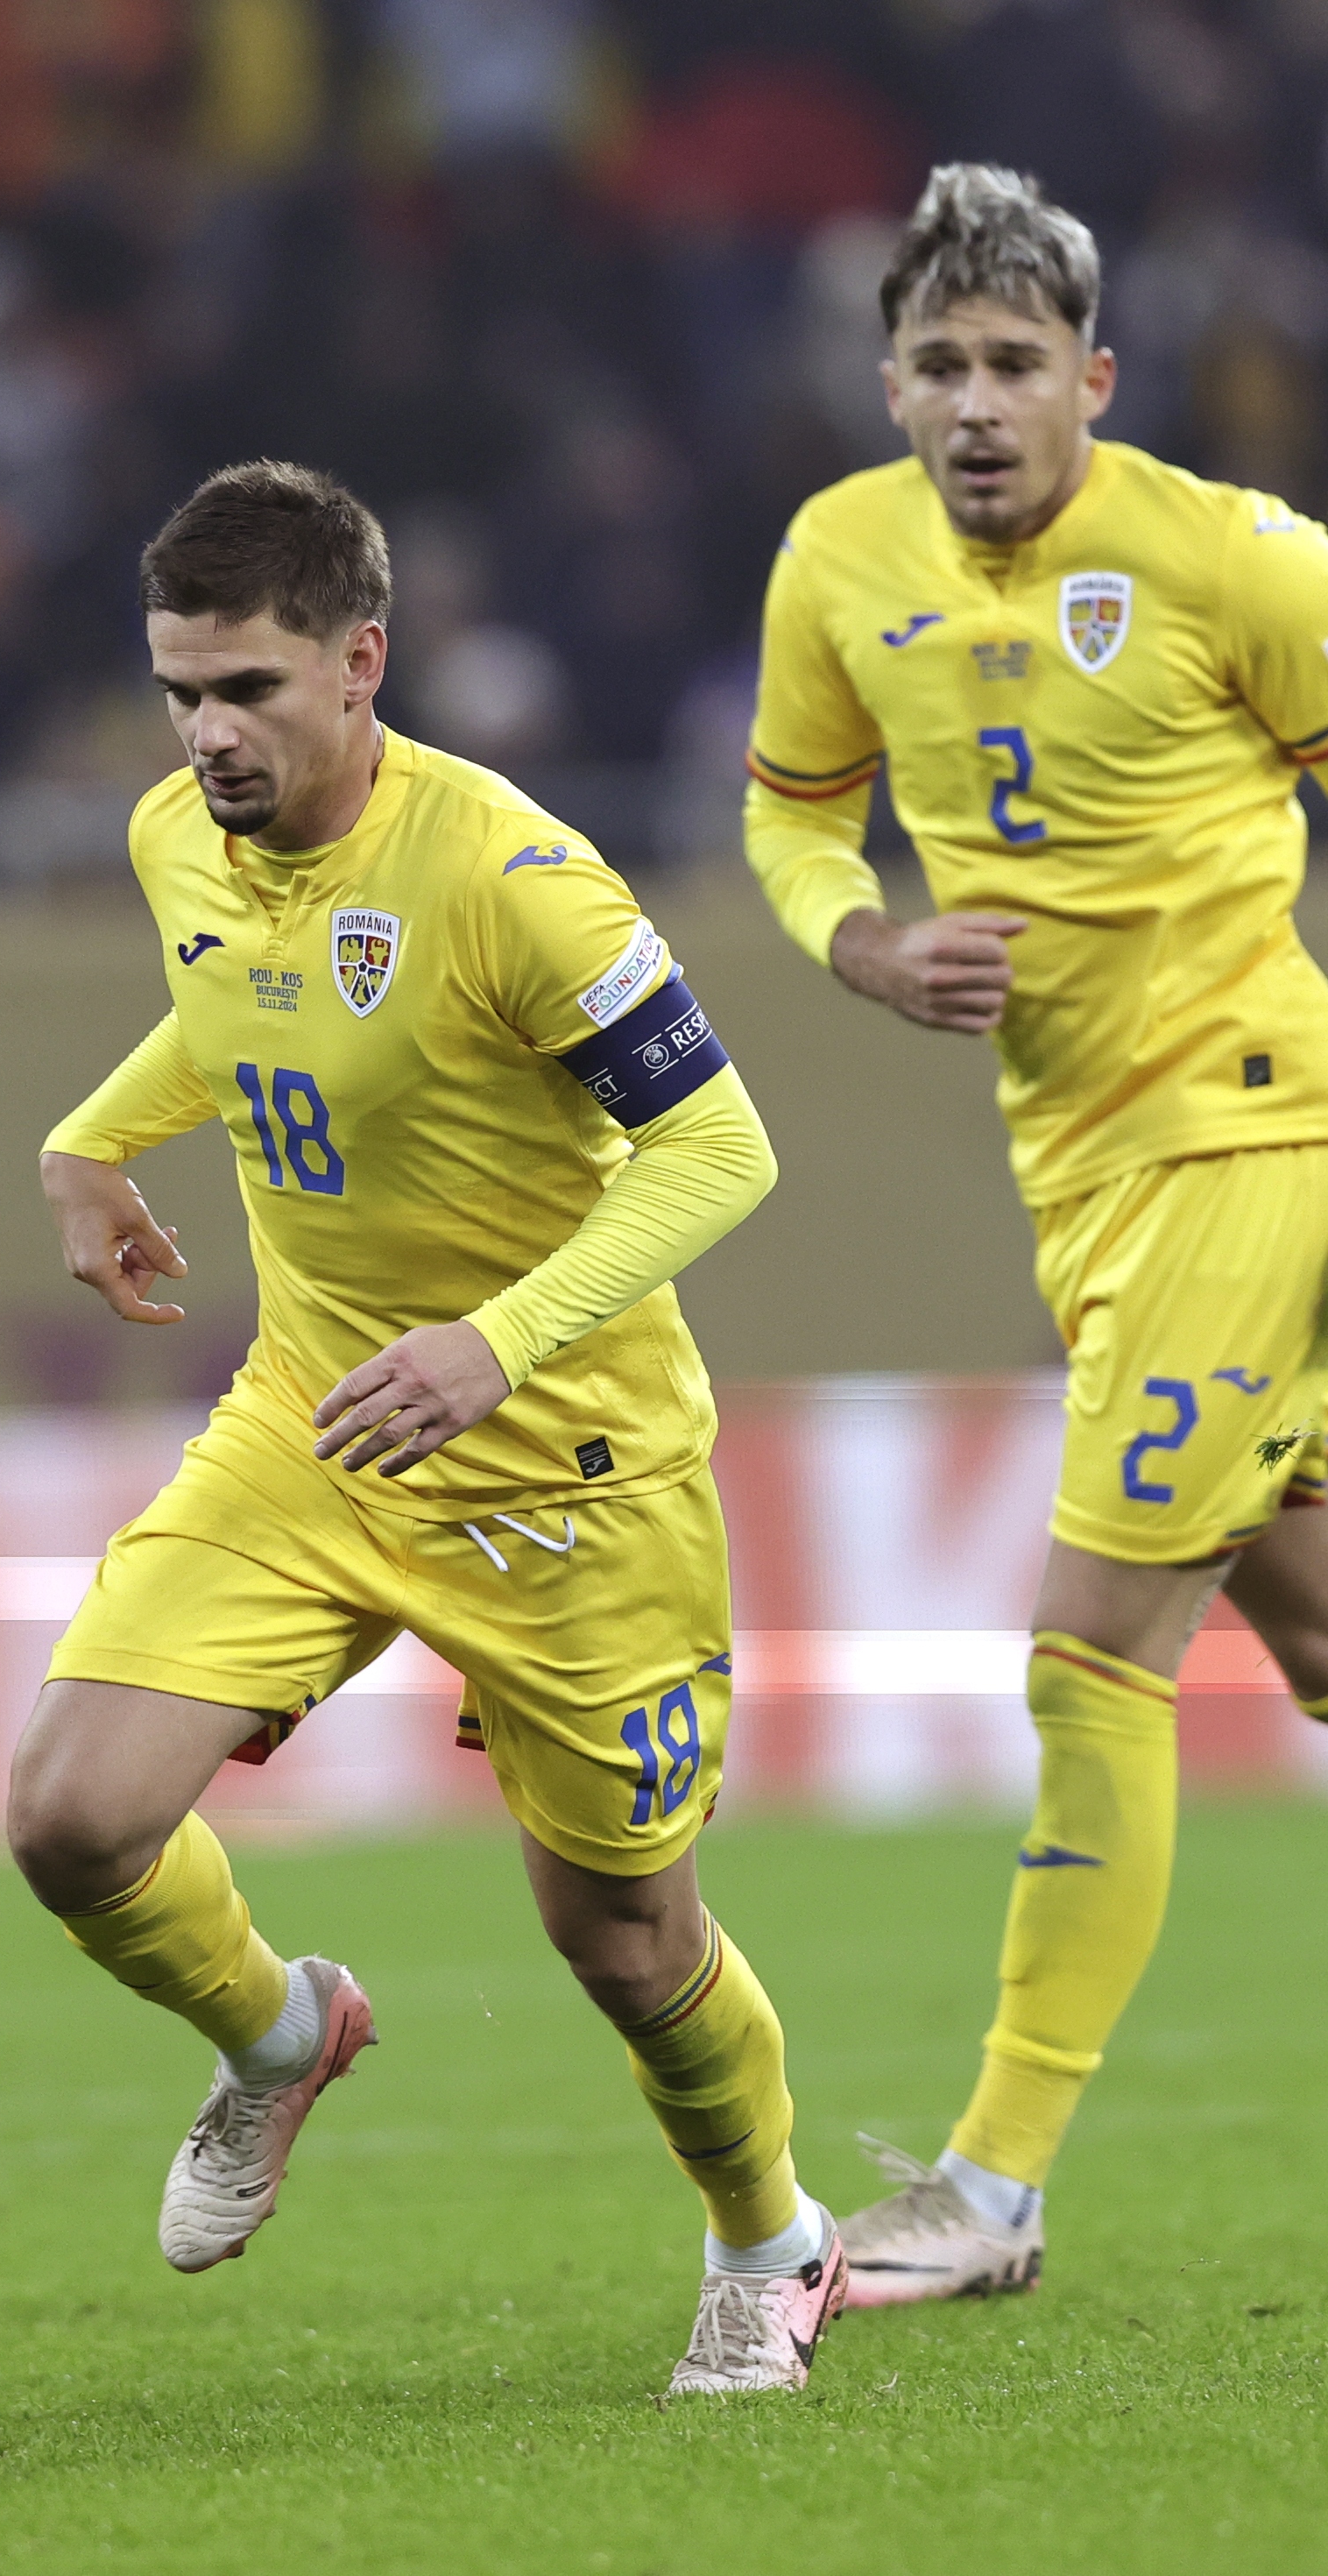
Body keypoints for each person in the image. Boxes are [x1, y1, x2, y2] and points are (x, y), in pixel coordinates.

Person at [7, 459, 840, 2397]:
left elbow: (718, 1145)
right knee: (68, 1820)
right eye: (177, 692)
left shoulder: (514, 877)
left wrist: (498, 1340)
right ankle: (280, 2037)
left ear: (359, 661)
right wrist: (89, 1138)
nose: (206, 735)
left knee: (626, 1947)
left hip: (567, 1466)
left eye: (248, 692)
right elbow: (238, 1011)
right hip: (310, 1420)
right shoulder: (170, 838)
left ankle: (768, 2241)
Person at [741, 164, 1328, 2305]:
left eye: (1014, 367)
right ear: (887, 382)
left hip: (1252, 1138)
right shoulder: (838, 559)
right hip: (1077, 1172)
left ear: (1093, 379)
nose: (974, 404)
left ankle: (985, 2189)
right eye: (937, 366)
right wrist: (859, 947)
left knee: (1094, 1649)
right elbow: (788, 814)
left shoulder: (1221, 558)